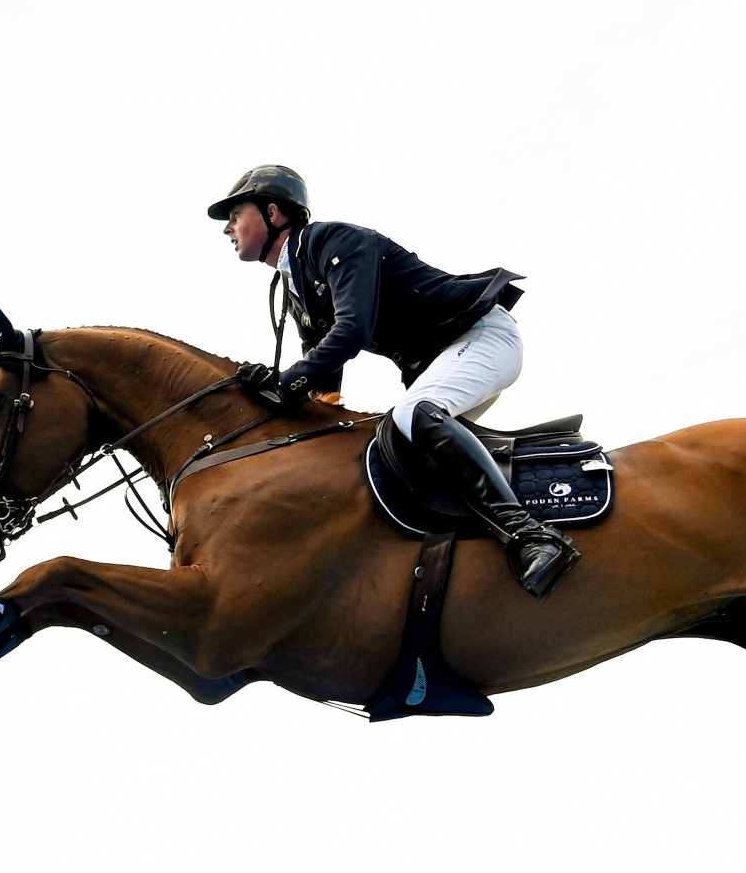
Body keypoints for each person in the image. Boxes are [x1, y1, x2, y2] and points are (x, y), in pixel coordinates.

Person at [208, 165, 580, 599]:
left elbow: (351, 332)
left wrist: (285, 383)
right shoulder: (297, 288)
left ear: (272, 212)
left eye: (235, 214)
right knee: (391, 443)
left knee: (412, 415)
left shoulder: (333, 241)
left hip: (481, 337)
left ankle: (531, 536)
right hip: (449, 356)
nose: (228, 229)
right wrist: (268, 396)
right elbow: (322, 384)